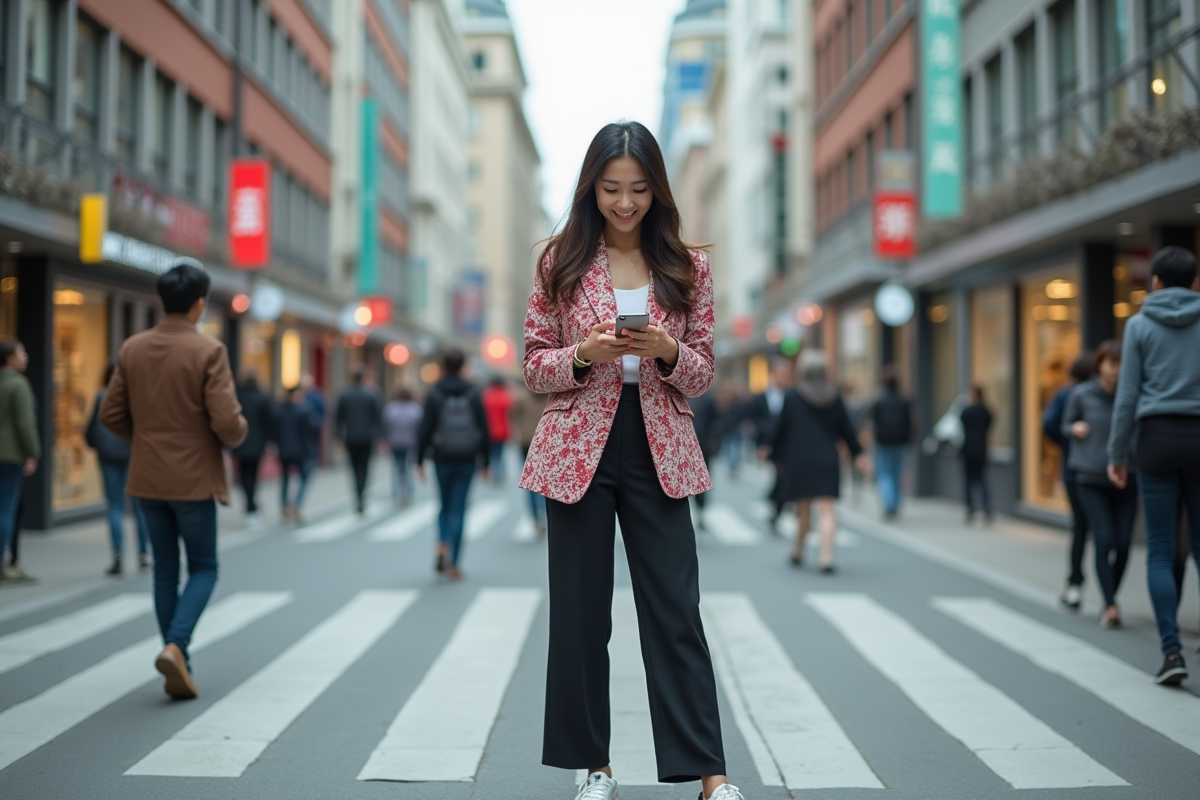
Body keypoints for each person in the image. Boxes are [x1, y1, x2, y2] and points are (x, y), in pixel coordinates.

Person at [520, 121, 742, 800]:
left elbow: (702, 371)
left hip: (659, 449)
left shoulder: (688, 266)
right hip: (577, 450)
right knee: (582, 617)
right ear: (591, 188)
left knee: (677, 611)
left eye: (638, 189)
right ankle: (596, 768)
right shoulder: (558, 261)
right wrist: (586, 354)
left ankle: (712, 775)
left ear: (657, 191)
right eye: (612, 188)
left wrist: (667, 353)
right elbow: (534, 366)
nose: (624, 203)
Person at [101, 261, 248, 700]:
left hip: (147, 477)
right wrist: (239, 433)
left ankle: (177, 657)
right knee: (204, 567)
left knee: (164, 571)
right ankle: (176, 646)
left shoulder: (132, 348)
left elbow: (110, 415)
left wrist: (145, 438)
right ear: (199, 304)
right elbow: (226, 421)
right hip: (194, 479)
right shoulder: (209, 351)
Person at [1107, 246, 1200, 686]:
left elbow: (1126, 397)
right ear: (1195, 282)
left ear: (1156, 281)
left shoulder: (1140, 324)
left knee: (1161, 548)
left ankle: (1171, 651)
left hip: (1156, 439)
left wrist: (1116, 454)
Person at [771, 349, 869, 573]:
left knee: (803, 511)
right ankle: (826, 558)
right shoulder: (835, 397)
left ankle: (798, 550)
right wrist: (859, 454)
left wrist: (774, 455)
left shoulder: (793, 396)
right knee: (827, 510)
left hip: (799, 460)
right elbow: (847, 431)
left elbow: (780, 430)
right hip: (827, 460)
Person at [1064, 341, 1136, 629]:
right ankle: (1109, 603)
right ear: (1100, 366)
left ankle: (1110, 596)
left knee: (1124, 543)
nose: (1117, 370)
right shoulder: (1081, 394)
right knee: (1104, 539)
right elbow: (1063, 425)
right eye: (1112, 364)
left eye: (1121, 364)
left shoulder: (1131, 394)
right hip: (1090, 477)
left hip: (1128, 477)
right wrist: (1074, 428)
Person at [416, 349, 489, 580]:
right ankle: (454, 563)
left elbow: (424, 428)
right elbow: (483, 428)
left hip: (441, 456)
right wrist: (486, 460)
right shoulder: (473, 393)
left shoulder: (434, 393)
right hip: (467, 457)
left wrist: (419, 460)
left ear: (442, 365)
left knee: (444, 504)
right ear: (463, 366)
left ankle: (441, 543)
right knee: (459, 507)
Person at [87, 361, 151, 575]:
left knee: (115, 505)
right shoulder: (136, 396)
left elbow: (91, 428)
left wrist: (96, 444)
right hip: (134, 454)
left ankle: (117, 555)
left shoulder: (101, 395)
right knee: (139, 506)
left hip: (107, 455)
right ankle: (144, 554)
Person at [1043, 353, 1094, 610]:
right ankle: (1080, 585)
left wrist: (1065, 445)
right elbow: (1051, 424)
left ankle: (1075, 584)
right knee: (1089, 530)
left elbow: (1048, 424)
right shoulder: (1071, 396)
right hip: (1083, 471)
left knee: (1081, 529)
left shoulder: (1066, 394)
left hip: (1075, 470)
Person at [0, 339, 39, 585]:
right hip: (11, 454)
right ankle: (6, 562)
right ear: (10, 358)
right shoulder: (18, 384)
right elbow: (25, 423)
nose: (25, 356)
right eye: (21, 352)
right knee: (7, 509)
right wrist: (32, 452)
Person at [745, 357, 795, 532]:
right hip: (770, 443)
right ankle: (776, 502)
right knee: (781, 476)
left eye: (786, 375)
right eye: (781, 374)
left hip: (788, 445)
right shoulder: (761, 397)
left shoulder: (793, 396)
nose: (784, 378)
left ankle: (775, 503)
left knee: (783, 478)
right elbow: (751, 416)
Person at [869, 366, 915, 521]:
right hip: (901, 442)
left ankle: (889, 504)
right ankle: (894, 505)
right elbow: (913, 422)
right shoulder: (905, 401)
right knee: (897, 474)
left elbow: (871, 421)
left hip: (883, 442)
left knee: (884, 474)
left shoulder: (879, 401)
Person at [335, 366, 383, 515]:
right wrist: (380, 438)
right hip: (367, 437)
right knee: (365, 468)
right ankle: (361, 495)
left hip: (350, 437)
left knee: (354, 468)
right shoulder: (372, 395)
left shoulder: (345, 395)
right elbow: (378, 418)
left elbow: (338, 419)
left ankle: (358, 494)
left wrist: (338, 438)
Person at [230, 369, 274, 527]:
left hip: (240, 442)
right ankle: (251, 505)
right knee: (253, 475)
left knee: (243, 475)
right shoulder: (263, 397)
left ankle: (250, 504)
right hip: (257, 443)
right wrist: (270, 441)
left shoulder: (236, 396)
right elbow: (269, 421)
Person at [275, 385, 319, 524]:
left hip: (283, 450)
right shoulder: (303, 410)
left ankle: (284, 509)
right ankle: (297, 505)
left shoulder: (278, 410)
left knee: (285, 479)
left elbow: (273, 431)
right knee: (305, 477)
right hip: (301, 450)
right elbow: (312, 430)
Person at [510, 385, 549, 535]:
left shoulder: (521, 397)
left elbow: (513, 416)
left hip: (527, 442)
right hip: (548, 442)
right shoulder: (551, 396)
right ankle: (544, 516)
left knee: (531, 483)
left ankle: (536, 517)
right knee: (546, 483)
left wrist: (519, 430)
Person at [688, 389, 723, 530]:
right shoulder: (679, 394)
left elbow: (717, 422)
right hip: (683, 446)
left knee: (701, 482)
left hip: (703, 447)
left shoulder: (708, 399)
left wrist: (713, 442)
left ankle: (701, 512)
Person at [383, 386, 422, 507]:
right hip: (411, 442)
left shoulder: (390, 409)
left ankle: (396, 494)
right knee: (409, 469)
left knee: (397, 468)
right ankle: (409, 492)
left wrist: (385, 441)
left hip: (395, 442)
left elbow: (386, 426)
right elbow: (420, 428)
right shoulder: (415, 409)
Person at [960, 385, 994, 524]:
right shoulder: (986, 411)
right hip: (982, 449)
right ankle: (987, 509)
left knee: (969, 481)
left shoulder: (966, 411)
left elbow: (961, 426)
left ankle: (970, 509)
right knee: (982, 479)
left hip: (968, 449)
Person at [481, 376, 513, 484]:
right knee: (500, 454)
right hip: (503, 431)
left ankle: (491, 471)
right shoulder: (506, 397)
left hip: (489, 430)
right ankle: (498, 473)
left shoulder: (487, 396)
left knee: (491, 453)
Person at [300, 373, 326, 474]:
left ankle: (312, 462)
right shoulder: (300, 395)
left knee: (313, 446)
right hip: (301, 429)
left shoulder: (317, 396)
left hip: (313, 427)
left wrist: (318, 423)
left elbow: (323, 411)